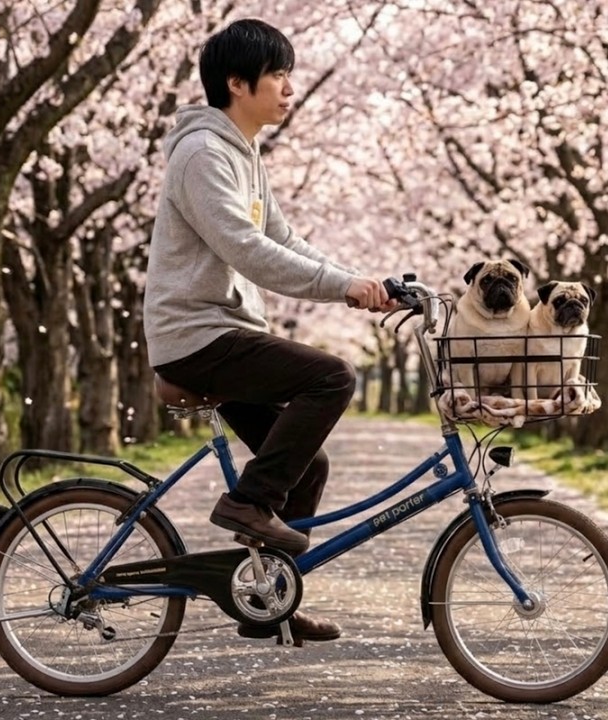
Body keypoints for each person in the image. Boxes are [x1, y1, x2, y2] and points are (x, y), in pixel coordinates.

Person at [143, 18, 395, 643]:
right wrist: (339, 286)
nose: (288, 87)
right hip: (198, 335)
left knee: (306, 466)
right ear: (237, 82)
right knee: (333, 376)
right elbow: (247, 249)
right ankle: (247, 505)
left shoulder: (242, 152)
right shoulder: (203, 154)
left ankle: (270, 600)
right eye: (277, 74)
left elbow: (282, 238)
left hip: (220, 331)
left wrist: (355, 280)